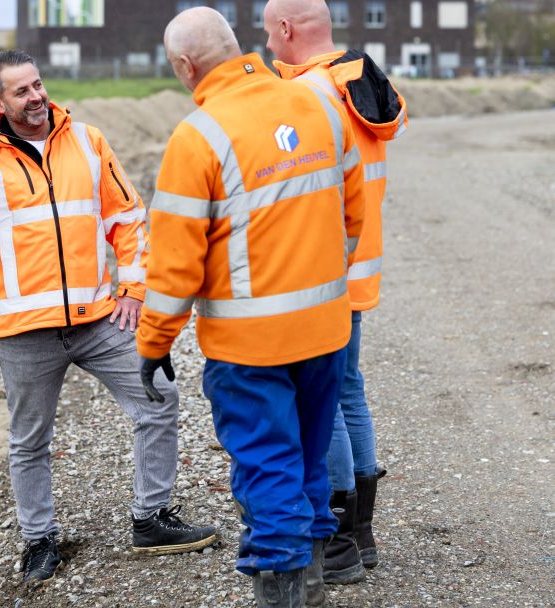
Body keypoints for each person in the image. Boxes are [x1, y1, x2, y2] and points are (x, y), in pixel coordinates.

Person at [0, 50, 216, 588]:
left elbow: (127, 219)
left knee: (159, 399)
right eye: (21, 91)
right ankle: (39, 539)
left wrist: (132, 286)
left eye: (38, 85)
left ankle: (151, 519)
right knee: (28, 441)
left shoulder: (87, 140)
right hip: (24, 332)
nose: (36, 97)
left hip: (98, 320)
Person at [136, 7, 364, 607]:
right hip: (325, 331)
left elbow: (174, 264)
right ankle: (310, 590)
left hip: (250, 349)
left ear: (186, 66)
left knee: (268, 471)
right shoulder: (318, 107)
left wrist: (155, 342)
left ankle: (285, 594)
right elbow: (353, 214)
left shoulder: (198, 136)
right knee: (309, 463)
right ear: (237, 48)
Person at [263, 0, 408, 585]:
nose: (269, 43)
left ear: (287, 28)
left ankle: (341, 540)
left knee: (324, 403)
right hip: (358, 268)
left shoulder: (312, 95)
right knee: (349, 389)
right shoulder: (364, 81)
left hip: (322, 271)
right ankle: (363, 536)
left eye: (271, 32)